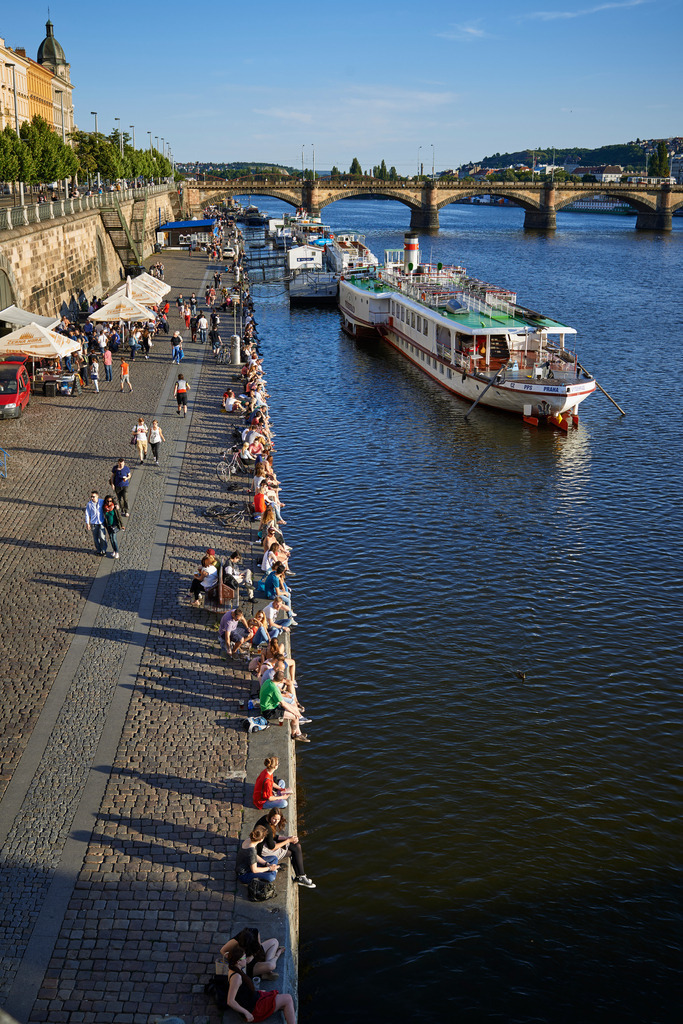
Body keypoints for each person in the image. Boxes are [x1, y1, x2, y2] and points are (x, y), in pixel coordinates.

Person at [225, 945, 296, 1024]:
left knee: (282, 1001)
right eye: (244, 958)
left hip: (253, 998)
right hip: (254, 1009)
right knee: (288, 999)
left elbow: (241, 990)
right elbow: (230, 1001)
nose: (246, 960)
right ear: (238, 961)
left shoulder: (234, 968)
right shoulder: (236, 977)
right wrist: (246, 1013)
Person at [256, 807, 315, 889]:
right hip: (263, 850)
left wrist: (287, 837)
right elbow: (272, 847)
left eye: (278, 819)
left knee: (297, 846)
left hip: (267, 844)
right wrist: (288, 840)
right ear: (270, 816)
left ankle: (301, 876)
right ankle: (301, 877)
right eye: (274, 819)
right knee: (292, 852)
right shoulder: (267, 827)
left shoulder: (266, 818)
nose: (276, 821)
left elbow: (273, 837)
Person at [219, 929, 283, 980]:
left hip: (255, 955)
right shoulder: (236, 941)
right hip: (247, 966)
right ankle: (267, 967)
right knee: (271, 966)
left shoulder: (254, 932)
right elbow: (222, 950)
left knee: (274, 941)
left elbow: (259, 948)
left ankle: (265, 971)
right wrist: (234, 958)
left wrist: (254, 954)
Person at [259, 676, 309, 742]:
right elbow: (283, 704)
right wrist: (295, 713)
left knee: (295, 709)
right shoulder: (274, 689)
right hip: (269, 711)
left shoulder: (268, 681)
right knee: (295, 717)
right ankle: (294, 735)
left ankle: (298, 733)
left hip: (271, 706)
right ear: (282, 680)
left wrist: (295, 710)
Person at [85, 490, 107, 556]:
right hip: (94, 523)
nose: (92, 498)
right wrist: (87, 523)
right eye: (91, 497)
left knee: (102, 537)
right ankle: (98, 550)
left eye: (93, 497)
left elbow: (109, 503)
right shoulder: (89, 504)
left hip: (101, 522)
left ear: (97, 496)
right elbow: (87, 514)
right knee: (95, 538)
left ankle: (103, 550)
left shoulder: (102, 502)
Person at [102, 494, 124, 560]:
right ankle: (114, 550)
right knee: (111, 539)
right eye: (107, 501)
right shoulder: (104, 507)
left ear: (112, 501)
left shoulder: (114, 508)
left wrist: (122, 525)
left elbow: (119, 517)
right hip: (108, 525)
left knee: (114, 539)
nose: (109, 502)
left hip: (114, 525)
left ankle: (117, 552)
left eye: (110, 501)